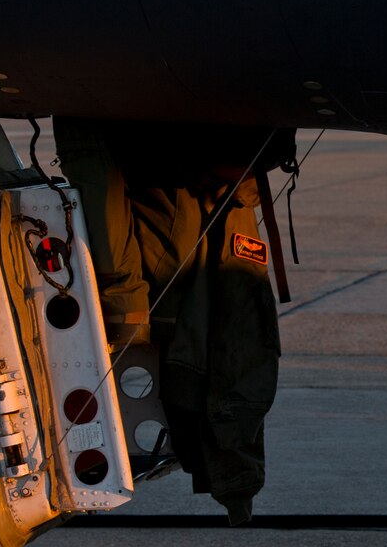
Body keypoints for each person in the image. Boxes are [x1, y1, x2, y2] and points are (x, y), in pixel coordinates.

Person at [53, 117, 294, 524]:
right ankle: (235, 486)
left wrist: (124, 306)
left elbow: (100, 185)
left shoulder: (222, 201)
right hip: (188, 293)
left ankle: (235, 484)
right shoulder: (221, 198)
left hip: (186, 293)